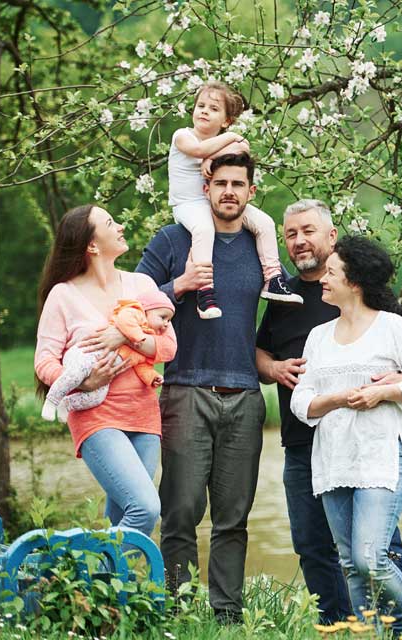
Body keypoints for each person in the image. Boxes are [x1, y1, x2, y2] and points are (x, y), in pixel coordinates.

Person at [256, 200, 402, 624]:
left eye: (307, 230)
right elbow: (261, 350)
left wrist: (389, 385)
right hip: (302, 441)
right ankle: (342, 628)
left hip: (364, 445)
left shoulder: (369, 300)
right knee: (315, 546)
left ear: (331, 236)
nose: (298, 240)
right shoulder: (282, 296)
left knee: (378, 548)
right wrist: (271, 367)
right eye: (290, 234)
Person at [136, 152, 267, 625]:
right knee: (181, 511)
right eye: (221, 183)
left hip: (246, 397)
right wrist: (182, 285)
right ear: (206, 187)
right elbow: (131, 301)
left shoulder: (260, 247)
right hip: (186, 390)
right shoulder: (174, 240)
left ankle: (228, 617)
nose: (229, 191)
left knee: (233, 517)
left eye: (239, 184)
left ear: (252, 192)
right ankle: (182, 613)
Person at [290, 235, 402, 638]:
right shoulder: (319, 337)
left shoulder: (392, 328)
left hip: (380, 460)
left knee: (370, 557)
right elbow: (300, 403)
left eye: (332, 272)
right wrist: (336, 399)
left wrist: (382, 392)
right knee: (350, 563)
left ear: (353, 282)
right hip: (333, 461)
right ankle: (371, 634)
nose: (323, 278)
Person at [34, 204, 177, 536]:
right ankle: (92, 583)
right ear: (92, 245)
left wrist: (127, 335)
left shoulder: (141, 284)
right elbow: (44, 361)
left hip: (144, 415)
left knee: (123, 517)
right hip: (96, 417)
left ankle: (105, 586)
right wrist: (83, 383)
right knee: (145, 508)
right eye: (111, 222)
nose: (121, 226)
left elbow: (168, 346)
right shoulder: (63, 295)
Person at [168, 80, 302, 318]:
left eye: (213, 108)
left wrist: (221, 151)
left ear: (226, 121)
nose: (205, 111)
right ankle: (205, 291)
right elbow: (200, 151)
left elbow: (244, 149)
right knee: (204, 229)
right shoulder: (183, 135)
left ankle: (273, 278)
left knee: (265, 223)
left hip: (217, 202)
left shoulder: (228, 140)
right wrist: (229, 141)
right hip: (188, 204)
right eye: (201, 106)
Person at [41, 290, 175, 422]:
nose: (166, 324)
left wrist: (152, 377)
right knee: (75, 374)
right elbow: (124, 321)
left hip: (104, 373)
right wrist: (137, 338)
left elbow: (142, 366)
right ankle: (52, 400)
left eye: (169, 320)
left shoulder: (145, 341)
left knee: (97, 397)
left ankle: (67, 404)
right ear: (147, 310)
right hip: (87, 355)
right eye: (162, 317)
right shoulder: (136, 312)